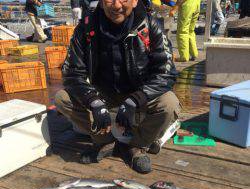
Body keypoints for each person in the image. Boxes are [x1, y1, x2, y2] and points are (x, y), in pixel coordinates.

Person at [55, 0, 181, 174]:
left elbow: (166, 72)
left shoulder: (150, 26)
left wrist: (136, 99)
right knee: (62, 98)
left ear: (135, 1)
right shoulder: (86, 27)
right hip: (102, 94)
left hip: (139, 93)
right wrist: (93, 101)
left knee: (169, 104)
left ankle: (135, 145)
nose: (116, 5)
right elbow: (71, 73)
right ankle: (105, 140)